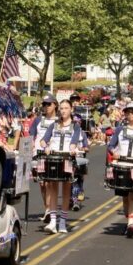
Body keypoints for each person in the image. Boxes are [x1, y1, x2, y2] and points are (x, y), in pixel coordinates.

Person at [107, 102, 133, 238]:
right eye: (127, 112)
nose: (130, 114)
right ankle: (129, 218)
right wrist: (114, 152)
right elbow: (111, 145)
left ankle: (131, 223)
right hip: (121, 165)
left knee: (131, 194)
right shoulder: (120, 129)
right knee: (125, 196)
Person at [40, 99, 81, 234]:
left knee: (66, 191)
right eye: (61, 108)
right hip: (53, 159)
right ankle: (53, 221)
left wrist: (73, 149)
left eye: (66, 108)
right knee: (52, 189)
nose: (63, 111)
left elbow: (74, 142)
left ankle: (62, 221)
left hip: (67, 159)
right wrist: (45, 146)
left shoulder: (76, 126)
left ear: (71, 110)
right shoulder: (54, 125)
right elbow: (43, 140)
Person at [28, 94, 58, 222]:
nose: (46, 107)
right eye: (44, 105)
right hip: (38, 154)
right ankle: (47, 208)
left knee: (50, 182)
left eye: (48, 104)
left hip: (52, 155)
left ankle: (49, 210)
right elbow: (31, 136)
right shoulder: (38, 120)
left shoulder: (59, 120)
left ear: (55, 105)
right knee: (42, 183)